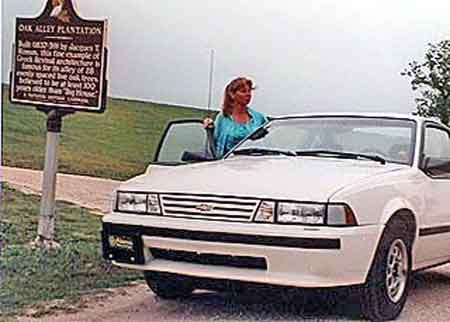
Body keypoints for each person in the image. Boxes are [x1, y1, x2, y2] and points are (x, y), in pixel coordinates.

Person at [204, 77, 267, 157]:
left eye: (249, 91)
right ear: (232, 94)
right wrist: (210, 128)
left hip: (256, 162)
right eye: (243, 91)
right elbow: (214, 145)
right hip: (229, 163)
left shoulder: (259, 118)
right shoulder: (222, 118)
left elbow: (268, 141)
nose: (248, 94)